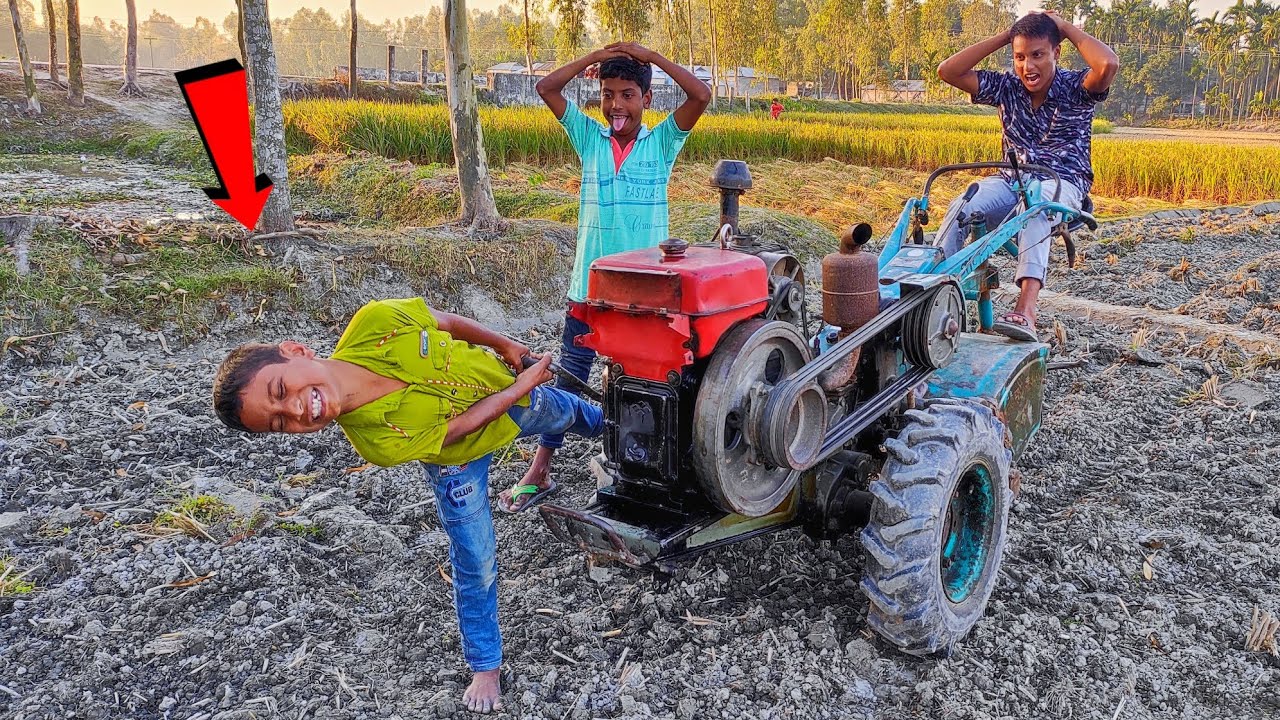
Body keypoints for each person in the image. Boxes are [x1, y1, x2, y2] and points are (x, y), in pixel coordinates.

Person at [210, 298, 604, 714]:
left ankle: (621, 443)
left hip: (516, 397)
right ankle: (485, 665)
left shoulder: (375, 321)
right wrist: (520, 388)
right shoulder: (376, 443)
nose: (293, 409)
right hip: (459, 464)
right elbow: (457, 430)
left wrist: (506, 347)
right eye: (279, 422)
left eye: (279, 389)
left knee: (583, 416)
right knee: (476, 559)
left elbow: (449, 322)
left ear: (295, 350)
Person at [500, 43, 710, 512]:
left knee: (655, 385)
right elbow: (545, 86)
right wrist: (594, 54)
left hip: (645, 297)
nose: (617, 105)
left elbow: (700, 96)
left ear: (646, 100)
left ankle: (658, 472)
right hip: (589, 293)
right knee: (569, 381)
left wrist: (652, 57)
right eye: (609, 93)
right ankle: (540, 470)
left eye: (628, 94)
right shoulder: (590, 139)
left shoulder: (661, 143)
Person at [936, 11, 1117, 341]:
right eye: (1020, 57)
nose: (1028, 67)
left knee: (1034, 207)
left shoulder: (1077, 88)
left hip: (1062, 183)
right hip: (1010, 179)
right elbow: (948, 71)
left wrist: (1062, 27)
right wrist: (1007, 36)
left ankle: (1026, 312)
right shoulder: (1006, 87)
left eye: (1037, 55)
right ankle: (936, 292)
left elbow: (1107, 65)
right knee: (964, 202)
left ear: (1056, 53)